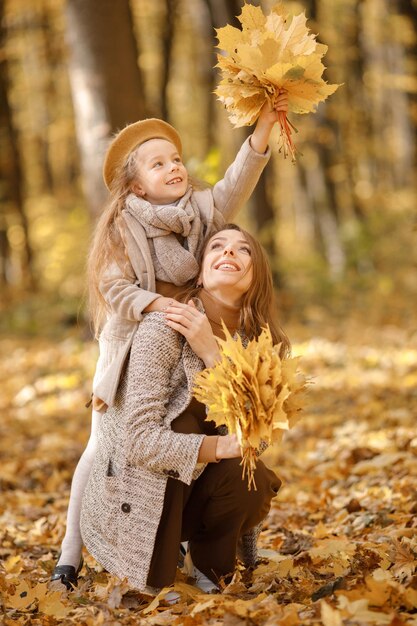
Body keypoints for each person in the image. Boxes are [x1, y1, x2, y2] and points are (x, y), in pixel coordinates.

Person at [51, 94, 288, 589]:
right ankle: (70, 551)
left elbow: (236, 184)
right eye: (159, 164)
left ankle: (194, 534)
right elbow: (113, 289)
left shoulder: (201, 211)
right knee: (101, 443)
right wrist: (157, 307)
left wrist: (262, 131)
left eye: (176, 159)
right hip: (135, 337)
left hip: (188, 329)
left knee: (195, 414)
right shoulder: (125, 225)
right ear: (137, 184)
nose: (174, 167)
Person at [80, 225, 289, 601]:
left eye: (243, 250)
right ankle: (155, 568)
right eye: (218, 247)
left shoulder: (260, 344)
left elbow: (256, 438)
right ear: (201, 270)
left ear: (256, 273)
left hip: (196, 496)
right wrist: (216, 448)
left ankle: (209, 566)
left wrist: (212, 353)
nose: (229, 253)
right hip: (134, 500)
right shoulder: (163, 326)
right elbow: (138, 441)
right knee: (183, 421)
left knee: (253, 475)